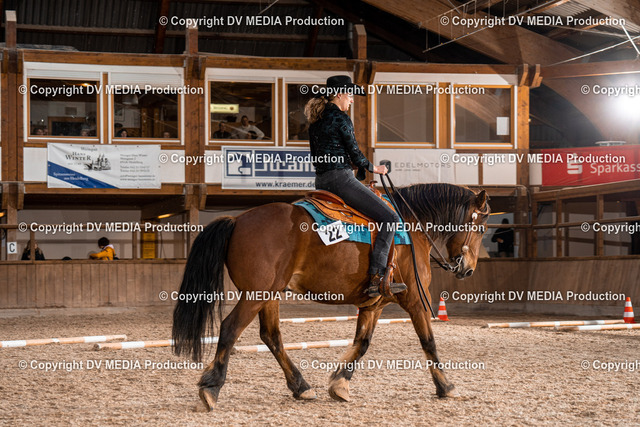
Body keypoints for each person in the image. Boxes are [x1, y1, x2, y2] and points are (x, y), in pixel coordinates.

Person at [305, 75, 406, 297]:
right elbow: (355, 153)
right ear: (339, 94)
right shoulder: (341, 118)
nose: (351, 100)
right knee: (390, 218)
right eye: (349, 95)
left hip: (321, 181)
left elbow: (324, 154)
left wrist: (351, 166)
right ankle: (377, 276)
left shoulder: (316, 120)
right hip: (341, 181)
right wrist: (375, 168)